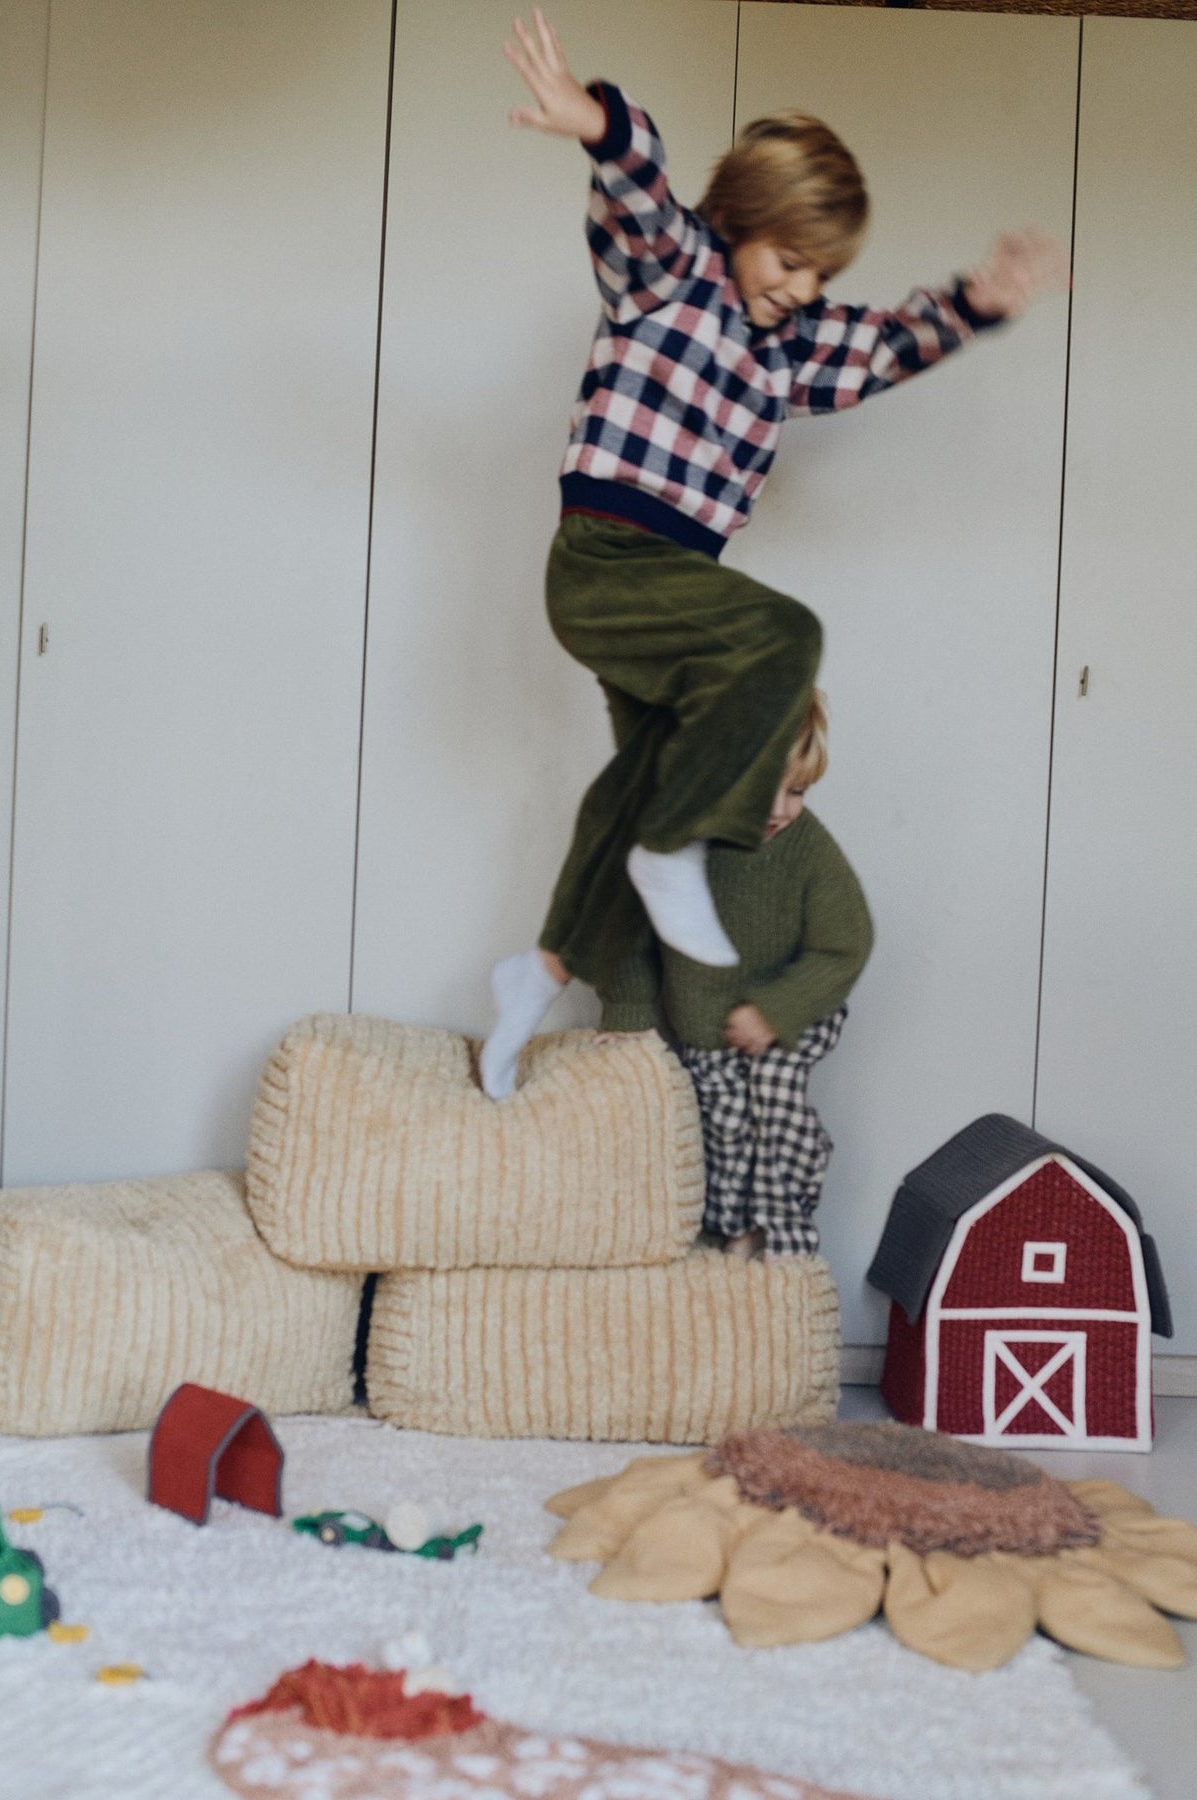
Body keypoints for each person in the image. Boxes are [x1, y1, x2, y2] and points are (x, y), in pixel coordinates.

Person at [479, 8, 1066, 1101]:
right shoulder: (674, 269)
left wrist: (975, 306)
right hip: (607, 558)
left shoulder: (793, 344)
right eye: (789, 258)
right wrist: (598, 124)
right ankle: (672, 853)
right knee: (788, 638)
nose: (798, 285)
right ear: (742, 219)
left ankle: (543, 966)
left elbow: (885, 342)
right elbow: (641, 188)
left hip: (678, 588)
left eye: (819, 271)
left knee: (649, 767)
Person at [602, 691, 870, 1258]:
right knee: (720, 1123)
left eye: (796, 791)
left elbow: (844, 945)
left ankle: (783, 1232)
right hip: (706, 1025)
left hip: (793, 1012)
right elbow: (625, 931)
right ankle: (730, 1228)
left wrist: (775, 1011)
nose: (780, 809)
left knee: (774, 1102)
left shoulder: (807, 849)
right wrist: (629, 1014)